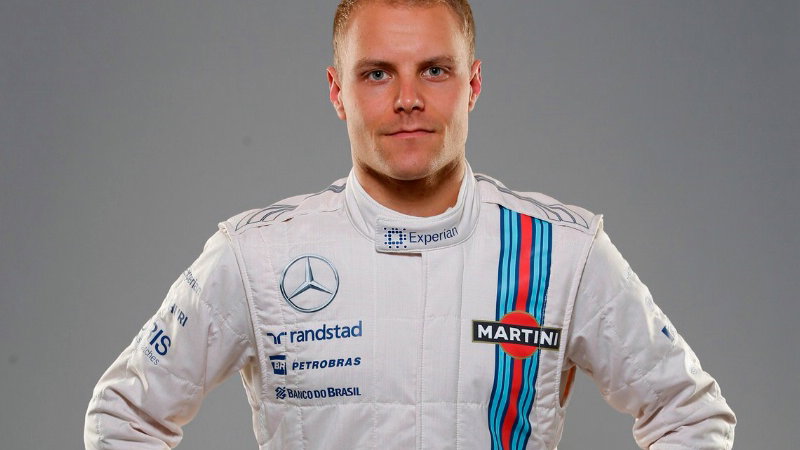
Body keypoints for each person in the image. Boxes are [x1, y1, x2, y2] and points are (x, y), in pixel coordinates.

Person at [84, 1, 736, 449]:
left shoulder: (563, 252)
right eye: (377, 74)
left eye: (434, 70)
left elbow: (689, 414)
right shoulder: (258, 254)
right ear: (337, 91)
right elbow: (124, 417)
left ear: (472, 84)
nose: (407, 100)